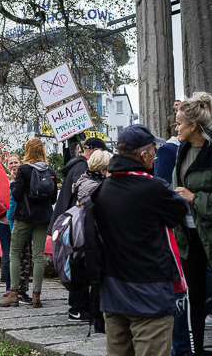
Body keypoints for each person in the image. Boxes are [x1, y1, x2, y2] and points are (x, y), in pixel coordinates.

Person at [93, 124, 188, 355]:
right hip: (150, 296)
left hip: (113, 293)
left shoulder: (103, 188)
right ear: (144, 154)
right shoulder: (153, 188)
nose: (155, 156)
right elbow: (179, 211)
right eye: (154, 150)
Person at [49, 137, 109, 321]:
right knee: (79, 264)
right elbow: (85, 198)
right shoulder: (84, 170)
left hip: (70, 223)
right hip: (78, 226)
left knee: (77, 263)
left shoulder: (76, 167)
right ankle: (77, 308)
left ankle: (79, 306)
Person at [172, 92, 212, 356]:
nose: (176, 128)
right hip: (188, 234)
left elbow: (193, 193)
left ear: (193, 125)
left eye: (179, 124)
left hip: (208, 232)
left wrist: (194, 197)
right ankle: (196, 351)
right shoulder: (181, 150)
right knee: (194, 296)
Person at [0, 139, 57, 308]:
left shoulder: (24, 170)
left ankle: (13, 294)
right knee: (38, 256)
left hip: (25, 216)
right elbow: (53, 198)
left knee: (14, 253)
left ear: (27, 151)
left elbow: (17, 195)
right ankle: (36, 296)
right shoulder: (50, 171)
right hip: (44, 217)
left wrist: (13, 185)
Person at [3, 154, 33, 305]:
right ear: (7, 166)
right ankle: (19, 291)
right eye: (11, 163)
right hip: (15, 220)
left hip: (24, 219)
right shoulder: (10, 181)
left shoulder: (24, 178)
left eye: (16, 163)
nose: (14, 165)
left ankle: (20, 289)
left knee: (26, 258)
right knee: (19, 257)